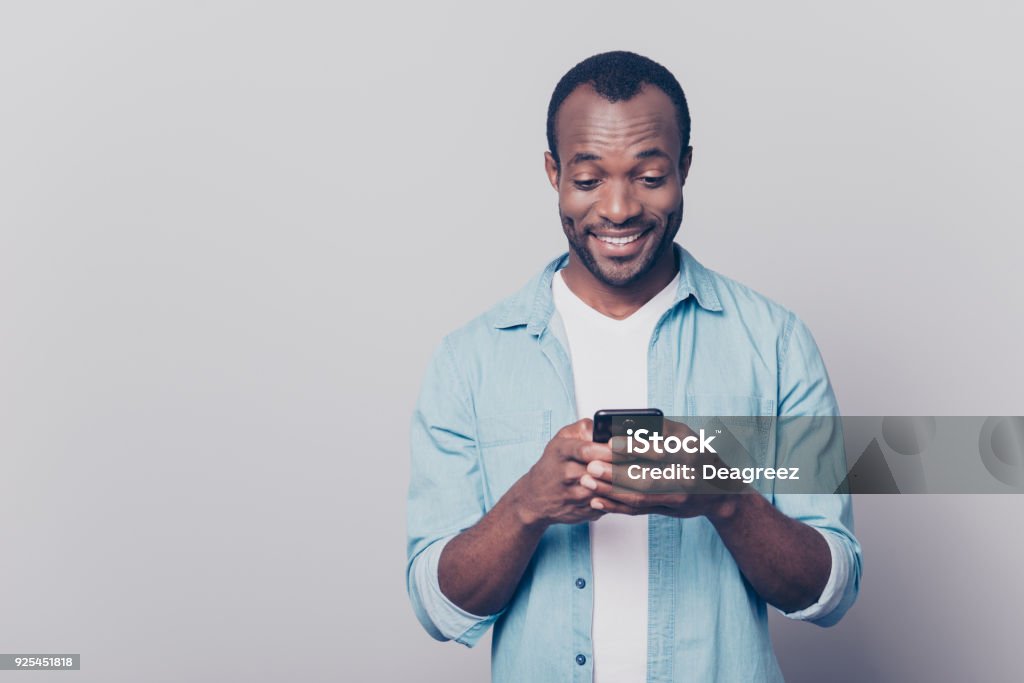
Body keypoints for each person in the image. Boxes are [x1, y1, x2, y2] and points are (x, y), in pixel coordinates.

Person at [406, 51, 861, 683]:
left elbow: (831, 593)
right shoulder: (470, 359)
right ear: (553, 173)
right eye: (588, 180)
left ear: (685, 169)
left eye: (649, 177)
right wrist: (525, 508)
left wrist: (723, 497)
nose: (618, 210)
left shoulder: (776, 342)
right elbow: (439, 609)